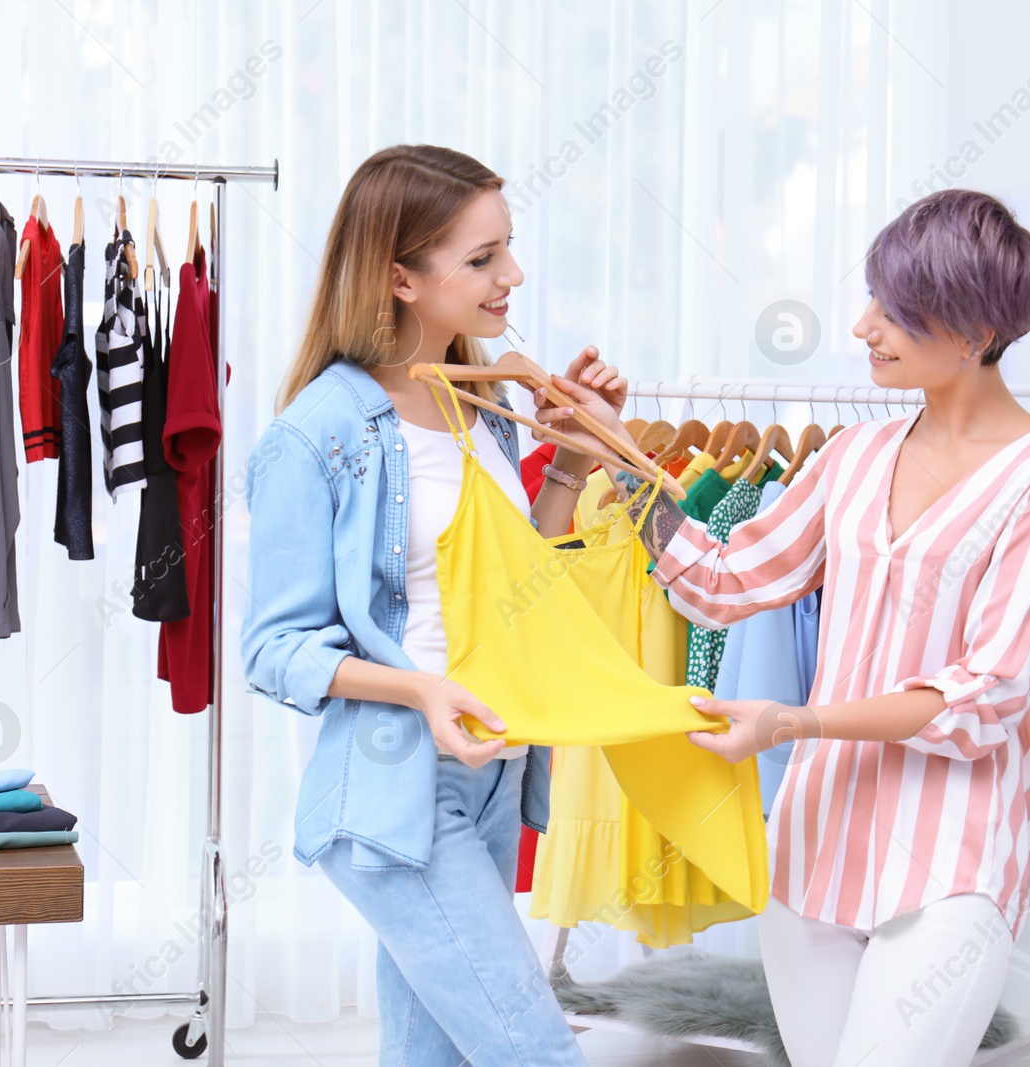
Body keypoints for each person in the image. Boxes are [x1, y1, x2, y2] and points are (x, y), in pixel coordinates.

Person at [539, 188, 1030, 1066]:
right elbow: (719, 583)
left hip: (948, 846)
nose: (864, 327)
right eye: (873, 300)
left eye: (896, 311)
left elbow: (983, 696)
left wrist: (793, 721)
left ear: (974, 333)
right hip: (817, 836)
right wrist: (616, 449)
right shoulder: (855, 455)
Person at [241, 144, 627, 1066]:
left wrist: (571, 461)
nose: (513, 276)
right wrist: (423, 693)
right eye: (483, 257)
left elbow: (511, 590)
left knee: (438, 1057)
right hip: (394, 787)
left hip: (492, 771)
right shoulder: (316, 435)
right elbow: (273, 649)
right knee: (539, 1050)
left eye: (508, 249)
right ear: (399, 277)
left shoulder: (481, 407)